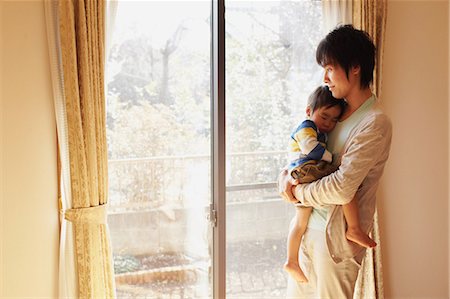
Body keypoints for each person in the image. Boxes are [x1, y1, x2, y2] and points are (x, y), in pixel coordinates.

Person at [278, 24, 392, 298]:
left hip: (334, 243)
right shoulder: (332, 114)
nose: (325, 78)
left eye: (330, 68)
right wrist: (286, 176)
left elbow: (342, 188)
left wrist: (299, 192)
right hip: (306, 234)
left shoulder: (373, 123)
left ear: (354, 67)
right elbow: (303, 152)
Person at [284, 85, 376, 284]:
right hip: (307, 169)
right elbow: (311, 149)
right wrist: (331, 158)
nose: (329, 124)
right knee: (346, 189)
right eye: (325, 117)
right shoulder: (306, 126)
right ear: (309, 111)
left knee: (300, 222)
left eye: (334, 120)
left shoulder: (321, 129)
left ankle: (292, 261)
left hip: (303, 173)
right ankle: (354, 228)